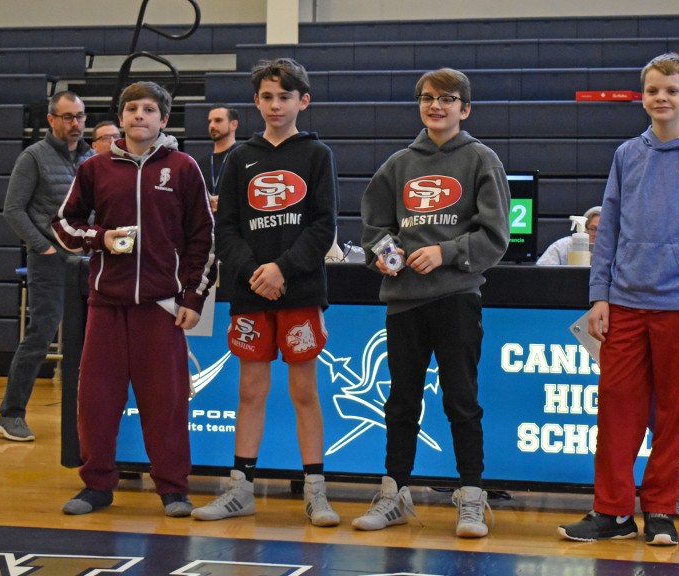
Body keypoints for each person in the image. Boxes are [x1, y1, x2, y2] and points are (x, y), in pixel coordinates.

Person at [558, 53, 679, 547]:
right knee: (616, 411)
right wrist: (600, 295)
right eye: (653, 90)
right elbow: (608, 228)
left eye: (671, 91)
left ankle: (660, 509)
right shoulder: (626, 154)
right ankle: (612, 511)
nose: (661, 98)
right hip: (624, 304)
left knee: (671, 413)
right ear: (643, 97)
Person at [355, 68, 511, 538]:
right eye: (427, 98)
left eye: (446, 99)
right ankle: (394, 494)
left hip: (457, 298)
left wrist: (446, 252)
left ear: (465, 108)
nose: (436, 106)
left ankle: (472, 496)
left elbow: (495, 235)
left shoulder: (481, 160)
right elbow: (373, 231)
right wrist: (385, 257)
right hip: (404, 303)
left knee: (461, 401)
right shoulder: (398, 164)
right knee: (401, 402)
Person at [51, 81, 216, 517]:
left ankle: (174, 489)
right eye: (131, 109)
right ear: (121, 118)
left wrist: (193, 298)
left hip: (162, 307)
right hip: (106, 304)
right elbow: (63, 224)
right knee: (96, 402)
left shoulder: (183, 168)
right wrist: (101, 238)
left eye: (149, 109)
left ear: (164, 119)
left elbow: (204, 237)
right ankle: (97, 485)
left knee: (166, 404)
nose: (139, 115)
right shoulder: (95, 168)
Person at [192, 59, 340, 527]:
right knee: (250, 390)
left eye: (285, 97)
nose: (276, 105)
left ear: (303, 101)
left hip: (300, 290)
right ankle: (240, 490)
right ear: (256, 102)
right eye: (268, 97)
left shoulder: (317, 155)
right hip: (252, 291)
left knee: (304, 391)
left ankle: (315, 490)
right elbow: (225, 228)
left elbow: (323, 226)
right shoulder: (240, 157)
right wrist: (256, 272)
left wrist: (282, 269)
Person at [0, 91, 94, 442]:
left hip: (85, 261)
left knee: (91, 340)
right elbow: (13, 210)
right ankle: (10, 414)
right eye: (68, 117)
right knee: (40, 335)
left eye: (80, 116)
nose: (76, 123)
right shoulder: (33, 157)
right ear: (52, 120)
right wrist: (44, 248)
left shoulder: (92, 159)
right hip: (49, 261)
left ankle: (89, 420)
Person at [196, 103, 240, 212]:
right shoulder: (200, 163)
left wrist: (225, 201)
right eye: (210, 121)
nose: (212, 125)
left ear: (233, 125)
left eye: (218, 120)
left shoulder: (243, 156)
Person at [536, 206, 602, 265]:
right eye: (593, 229)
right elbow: (541, 272)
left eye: (602, 231)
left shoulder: (608, 250)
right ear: (584, 229)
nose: (597, 235)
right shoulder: (563, 246)